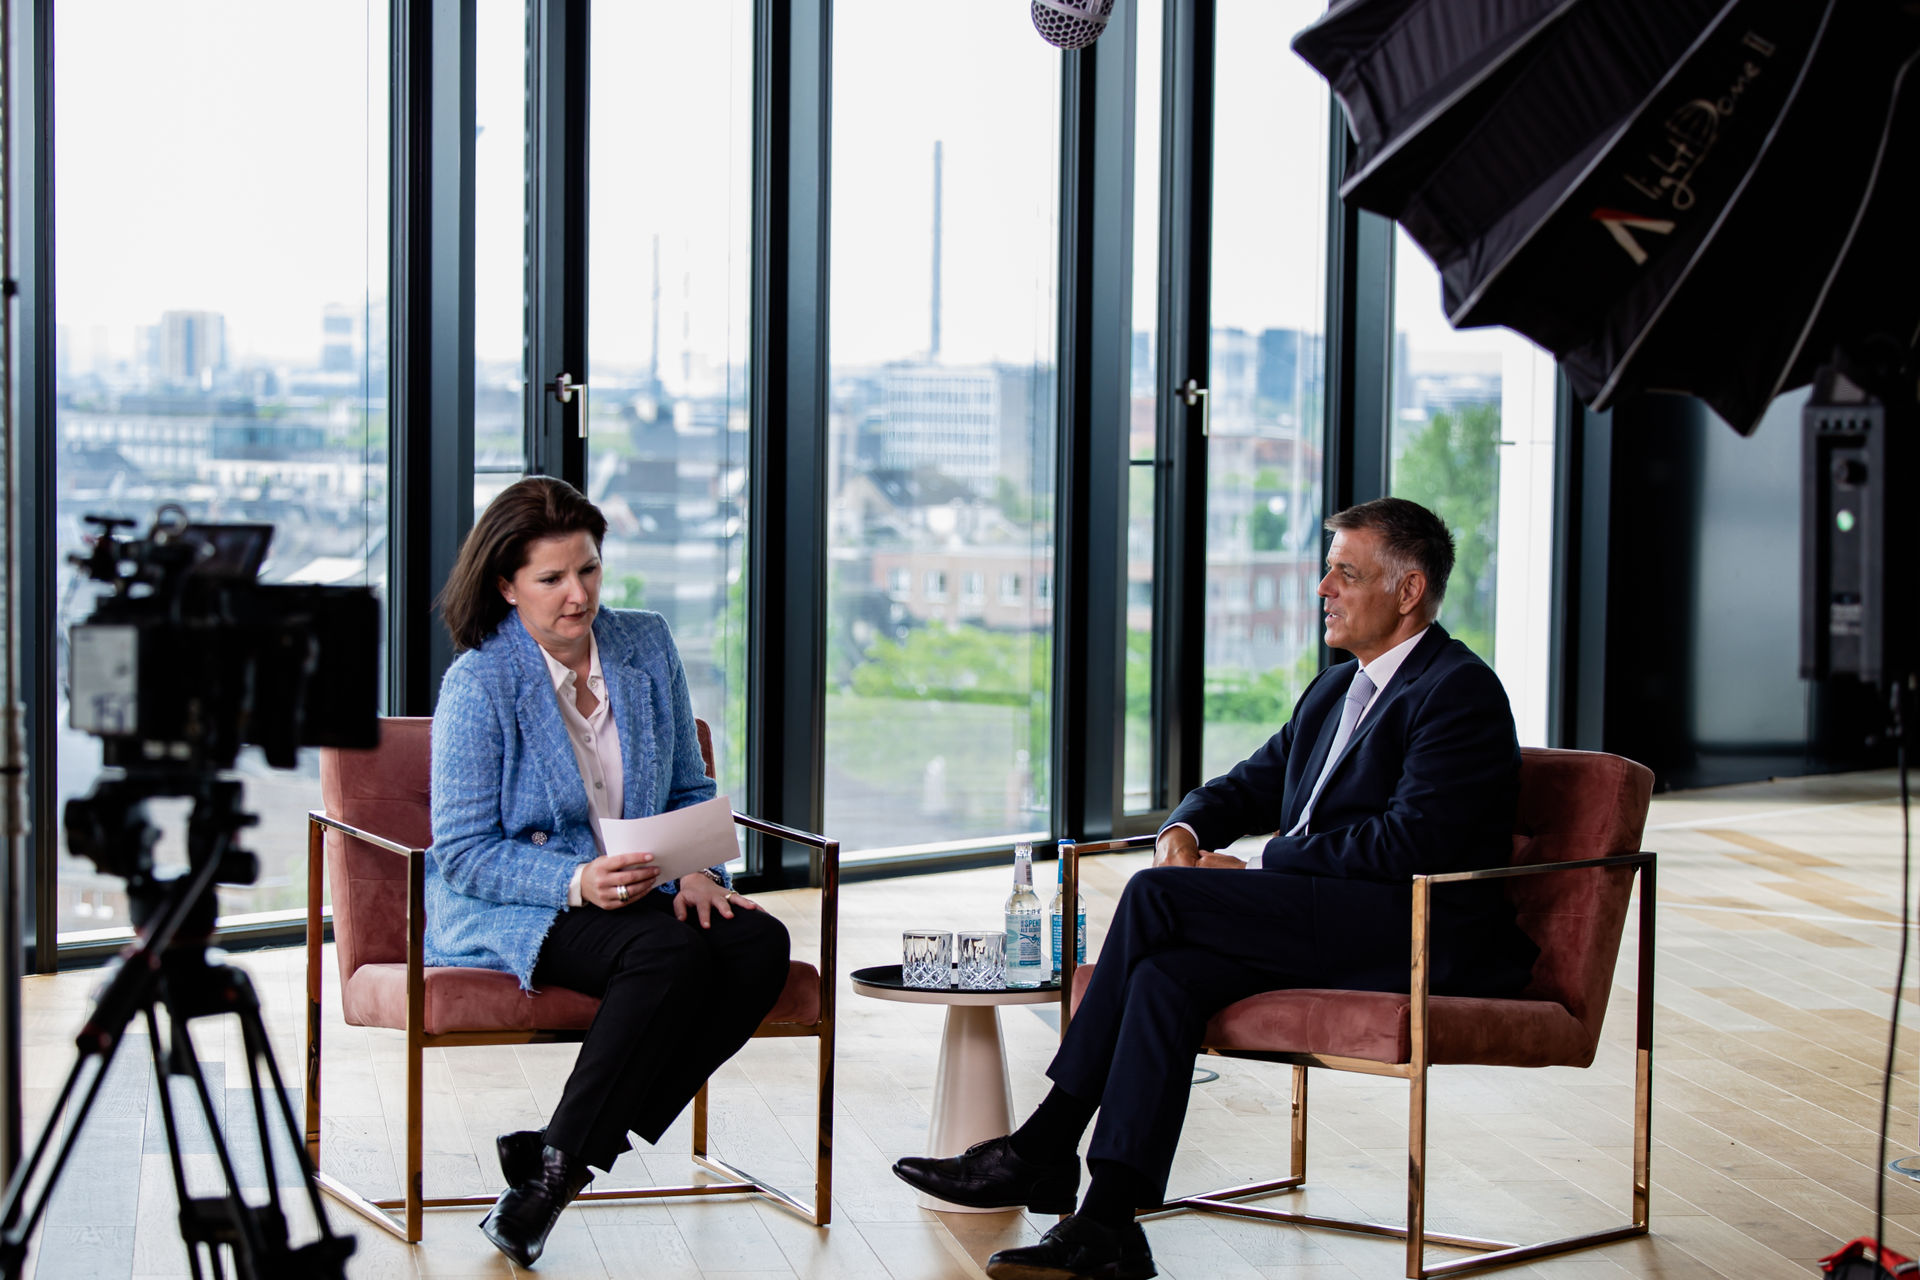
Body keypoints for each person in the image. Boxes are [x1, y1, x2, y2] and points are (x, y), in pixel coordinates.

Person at [893, 497, 1538, 1280]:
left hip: (1414, 933)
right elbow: (1245, 786)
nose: (1323, 588)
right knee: (1166, 977)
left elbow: (1412, 844)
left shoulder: (1458, 690)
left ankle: (1041, 1144)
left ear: (1409, 591)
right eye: (1327, 569)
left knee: (1156, 898)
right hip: (1324, 921)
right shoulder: (1335, 692)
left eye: (1345, 572)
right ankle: (1108, 1222)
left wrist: (1262, 868)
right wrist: (1184, 831)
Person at [428, 477, 791, 1268]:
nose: (578, 594)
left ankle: (556, 1147)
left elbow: (689, 786)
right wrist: (577, 882)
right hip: (526, 902)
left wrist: (700, 870)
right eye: (552, 578)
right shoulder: (480, 682)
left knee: (759, 944)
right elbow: (462, 852)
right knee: (667, 953)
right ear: (507, 586)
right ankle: (550, 1186)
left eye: (588, 569)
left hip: (644, 887)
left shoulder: (645, 644)